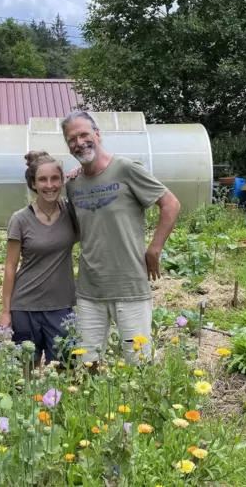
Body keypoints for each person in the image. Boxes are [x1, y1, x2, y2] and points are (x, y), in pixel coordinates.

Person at [63, 111, 180, 365]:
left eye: (84, 134)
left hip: (129, 286)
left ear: (98, 134)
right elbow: (78, 230)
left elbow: (171, 204)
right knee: (88, 362)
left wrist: (155, 249)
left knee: (138, 362)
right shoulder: (73, 184)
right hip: (89, 289)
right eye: (72, 139)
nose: (79, 142)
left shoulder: (126, 169)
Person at [0, 151, 78, 367]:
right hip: (25, 306)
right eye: (42, 179)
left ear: (63, 180)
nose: (49, 185)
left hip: (61, 306)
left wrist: (82, 175)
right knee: (26, 369)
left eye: (55, 178)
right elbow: (10, 267)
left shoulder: (72, 213)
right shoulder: (21, 219)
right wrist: (5, 312)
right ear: (33, 184)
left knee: (64, 368)